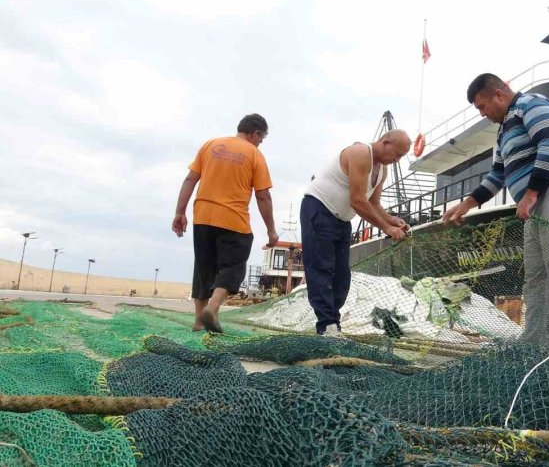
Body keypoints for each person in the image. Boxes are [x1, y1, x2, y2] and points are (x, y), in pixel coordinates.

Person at [443, 73, 549, 351]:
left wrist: (532, 192)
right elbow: (498, 174)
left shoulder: (532, 104)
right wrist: (466, 204)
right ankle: (533, 343)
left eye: (482, 106)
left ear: (499, 94)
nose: (483, 114)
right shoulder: (503, 132)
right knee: (536, 276)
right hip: (535, 201)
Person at [172, 113, 279, 333]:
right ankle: (212, 308)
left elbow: (190, 179)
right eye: (261, 140)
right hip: (233, 220)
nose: (260, 144)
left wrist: (179, 212)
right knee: (233, 266)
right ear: (255, 133)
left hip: (202, 216)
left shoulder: (210, 145)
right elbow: (262, 196)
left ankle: (199, 321)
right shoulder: (254, 155)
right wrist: (271, 231)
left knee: (203, 268)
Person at [301, 130, 411, 335]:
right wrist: (386, 228)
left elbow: (374, 203)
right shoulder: (360, 153)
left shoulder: (382, 171)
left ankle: (334, 323)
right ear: (385, 142)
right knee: (322, 269)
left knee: (342, 276)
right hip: (319, 208)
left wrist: (392, 220)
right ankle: (326, 325)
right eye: (397, 154)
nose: (397, 160)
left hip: (342, 220)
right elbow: (358, 200)